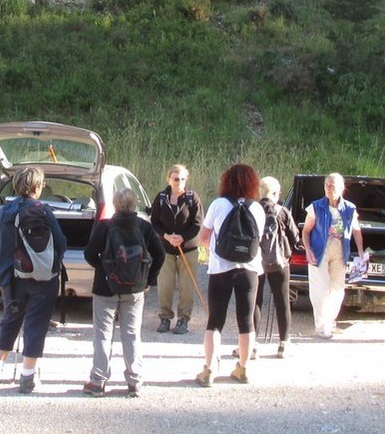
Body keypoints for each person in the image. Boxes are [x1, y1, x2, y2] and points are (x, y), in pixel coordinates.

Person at [0, 167, 66, 393]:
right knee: (36, 324)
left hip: (12, 277)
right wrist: (48, 262)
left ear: (16, 186)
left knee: (10, 320)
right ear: (38, 187)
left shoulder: (3, 213)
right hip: (43, 278)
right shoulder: (44, 211)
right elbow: (61, 241)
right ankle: (27, 377)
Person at [82, 187, 166, 398]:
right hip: (135, 289)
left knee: (102, 333)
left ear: (115, 205)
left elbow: (89, 253)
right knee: (131, 334)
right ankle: (134, 381)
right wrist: (149, 279)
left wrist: (104, 269)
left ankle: (98, 381)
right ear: (135, 203)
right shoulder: (144, 227)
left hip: (105, 287)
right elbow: (161, 254)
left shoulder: (105, 226)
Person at [195, 163, 266, 387]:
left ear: (226, 181)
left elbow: (203, 238)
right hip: (250, 269)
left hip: (221, 269)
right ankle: (242, 370)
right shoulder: (258, 208)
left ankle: (208, 371)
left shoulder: (218, 204)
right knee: (246, 321)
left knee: (215, 320)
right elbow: (258, 239)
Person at [301, 172, 365, 340]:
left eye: (333, 186)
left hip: (340, 250)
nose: (329, 189)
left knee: (337, 289)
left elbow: (356, 231)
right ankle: (322, 326)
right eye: (326, 185)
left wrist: (359, 252)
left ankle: (330, 321)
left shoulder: (350, 208)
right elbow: (306, 231)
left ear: (342, 189)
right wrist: (307, 250)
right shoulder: (315, 207)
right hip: (319, 250)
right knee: (319, 289)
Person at [247, 175, 300, 358]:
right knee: (282, 300)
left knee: (255, 301)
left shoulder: (251, 210)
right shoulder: (283, 212)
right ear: (276, 193)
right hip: (279, 263)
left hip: (255, 262)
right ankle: (283, 343)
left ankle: (252, 345)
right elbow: (295, 238)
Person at [149, 163, 204, 336]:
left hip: (188, 249)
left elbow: (198, 223)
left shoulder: (192, 197)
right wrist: (166, 236)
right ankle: (165, 317)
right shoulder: (161, 197)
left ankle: (183, 319)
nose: (178, 182)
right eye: (175, 179)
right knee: (165, 285)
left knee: (186, 287)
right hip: (166, 249)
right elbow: (154, 221)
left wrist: (183, 237)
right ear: (169, 179)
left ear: (185, 180)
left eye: (182, 179)